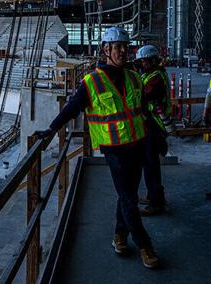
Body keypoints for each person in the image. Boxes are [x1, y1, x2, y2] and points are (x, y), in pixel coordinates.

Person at [35, 26, 160, 269]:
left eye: (125, 46)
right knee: (128, 198)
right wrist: (51, 129)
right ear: (106, 49)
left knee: (128, 195)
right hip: (114, 150)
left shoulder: (134, 77)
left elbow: (142, 109)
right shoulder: (92, 82)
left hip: (137, 144)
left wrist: (156, 135)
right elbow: (72, 108)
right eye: (118, 47)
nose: (123, 51)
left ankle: (119, 235)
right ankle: (145, 245)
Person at [135, 45, 170, 215]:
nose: (142, 64)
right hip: (150, 123)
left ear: (153, 60)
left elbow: (142, 96)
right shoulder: (151, 74)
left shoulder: (155, 78)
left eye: (145, 61)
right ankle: (153, 196)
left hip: (154, 124)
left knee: (151, 165)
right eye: (141, 61)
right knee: (149, 163)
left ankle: (157, 203)